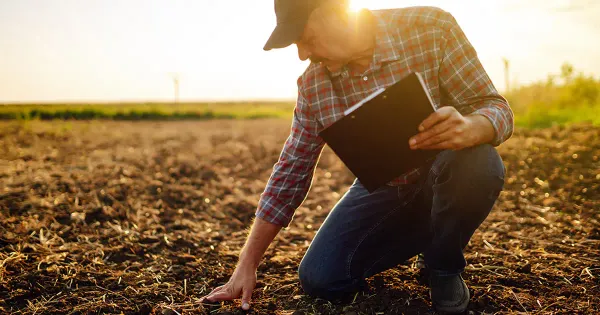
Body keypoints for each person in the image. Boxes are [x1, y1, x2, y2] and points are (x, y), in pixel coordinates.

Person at [201, 0, 513, 313]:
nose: (303, 54)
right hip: (385, 188)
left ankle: (442, 265)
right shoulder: (314, 86)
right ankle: (431, 233)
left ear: (336, 14)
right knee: (320, 278)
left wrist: (475, 126)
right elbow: (291, 170)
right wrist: (247, 264)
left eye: (306, 39)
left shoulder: (431, 28)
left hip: (449, 169)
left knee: (479, 164)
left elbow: (495, 107)